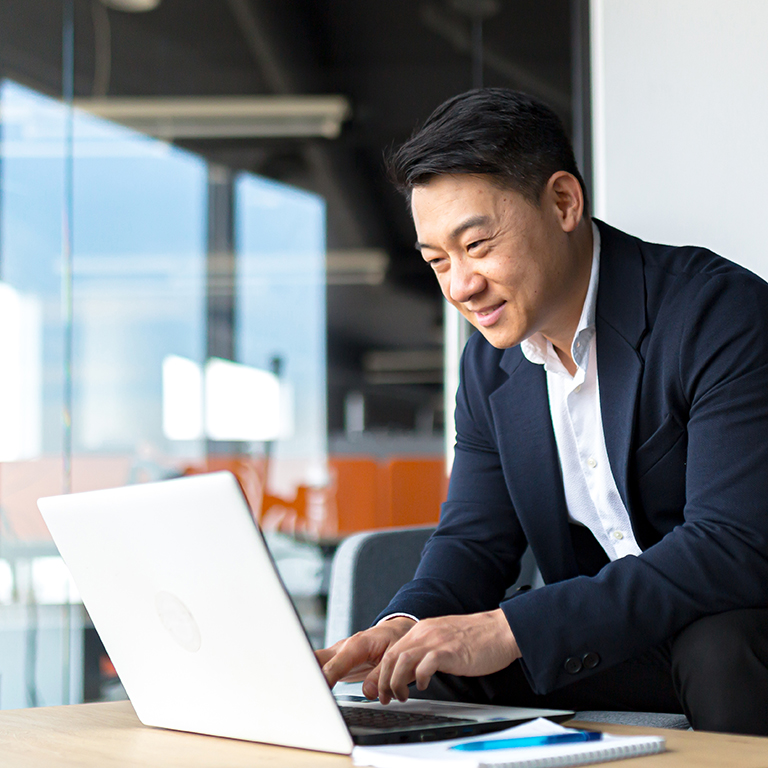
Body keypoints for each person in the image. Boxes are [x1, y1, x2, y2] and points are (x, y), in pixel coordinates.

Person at [316, 88, 768, 736]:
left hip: (735, 623)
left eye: (477, 245)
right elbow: (474, 542)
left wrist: (509, 629)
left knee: (719, 650)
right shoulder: (487, 367)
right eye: (438, 261)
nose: (460, 286)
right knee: (428, 668)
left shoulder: (717, 315)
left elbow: (733, 547)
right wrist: (401, 629)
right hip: (616, 637)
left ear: (563, 202)